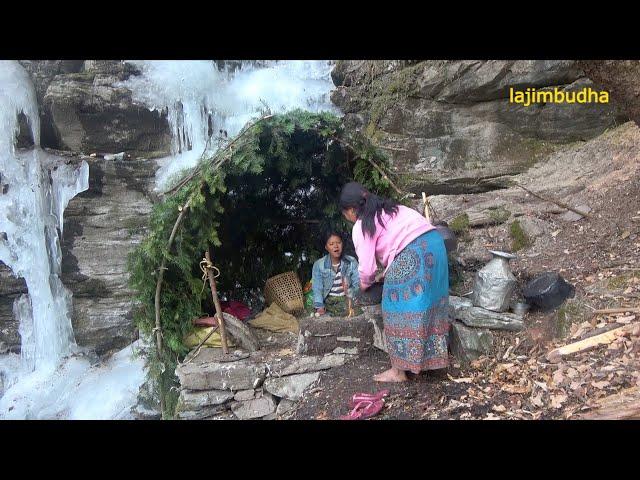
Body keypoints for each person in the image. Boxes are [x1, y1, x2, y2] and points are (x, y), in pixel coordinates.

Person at [340, 182, 450, 382]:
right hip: (436, 246)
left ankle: (398, 372)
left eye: (345, 214)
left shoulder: (362, 224)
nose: (347, 218)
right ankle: (432, 364)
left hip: (414, 252)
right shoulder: (393, 209)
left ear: (351, 210)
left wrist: (364, 286)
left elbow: (367, 269)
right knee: (431, 304)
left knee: (393, 306)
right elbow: (398, 243)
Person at [311, 230, 360, 317]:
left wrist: (350, 292)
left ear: (342, 244)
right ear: (326, 247)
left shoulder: (351, 261)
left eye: (338, 242)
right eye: (331, 244)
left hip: (347, 300)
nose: (336, 246)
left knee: (356, 312)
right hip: (329, 302)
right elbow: (317, 288)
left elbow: (357, 284)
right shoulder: (319, 265)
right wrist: (319, 306)